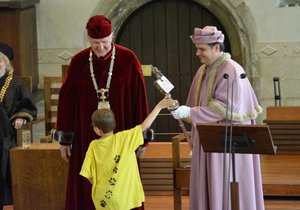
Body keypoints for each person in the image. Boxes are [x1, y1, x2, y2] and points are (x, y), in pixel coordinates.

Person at [55, 15, 149, 210]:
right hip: (85, 136)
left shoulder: (128, 58)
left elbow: (139, 98)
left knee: (120, 183)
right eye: (95, 43)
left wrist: (143, 138)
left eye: (105, 42)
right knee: (86, 184)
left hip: (121, 135)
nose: (101, 47)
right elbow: (66, 101)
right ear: (88, 39)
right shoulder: (79, 61)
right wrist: (64, 138)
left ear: (112, 36)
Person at [171, 26, 264, 210]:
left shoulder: (232, 70)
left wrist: (188, 112)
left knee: (225, 187)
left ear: (217, 48)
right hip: (209, 139)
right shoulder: (203, 69)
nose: (198, 53)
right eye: (197, 49)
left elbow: (224, 109)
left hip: (227, 142)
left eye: (202, 49)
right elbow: (197, 104)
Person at [80, 97, 174, 210]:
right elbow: (144, 125)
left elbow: (87, 174)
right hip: (123, 195)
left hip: (103, 196)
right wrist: (159, 106)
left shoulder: (93, 146)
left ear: (98, 130)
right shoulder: (125, 138)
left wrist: (100, 185)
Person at [0, 43, 37, 209]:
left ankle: (6, 197)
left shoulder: (16, 83)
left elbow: (28, 107)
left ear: (6, 63)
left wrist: (21, 118)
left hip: (8, 133)